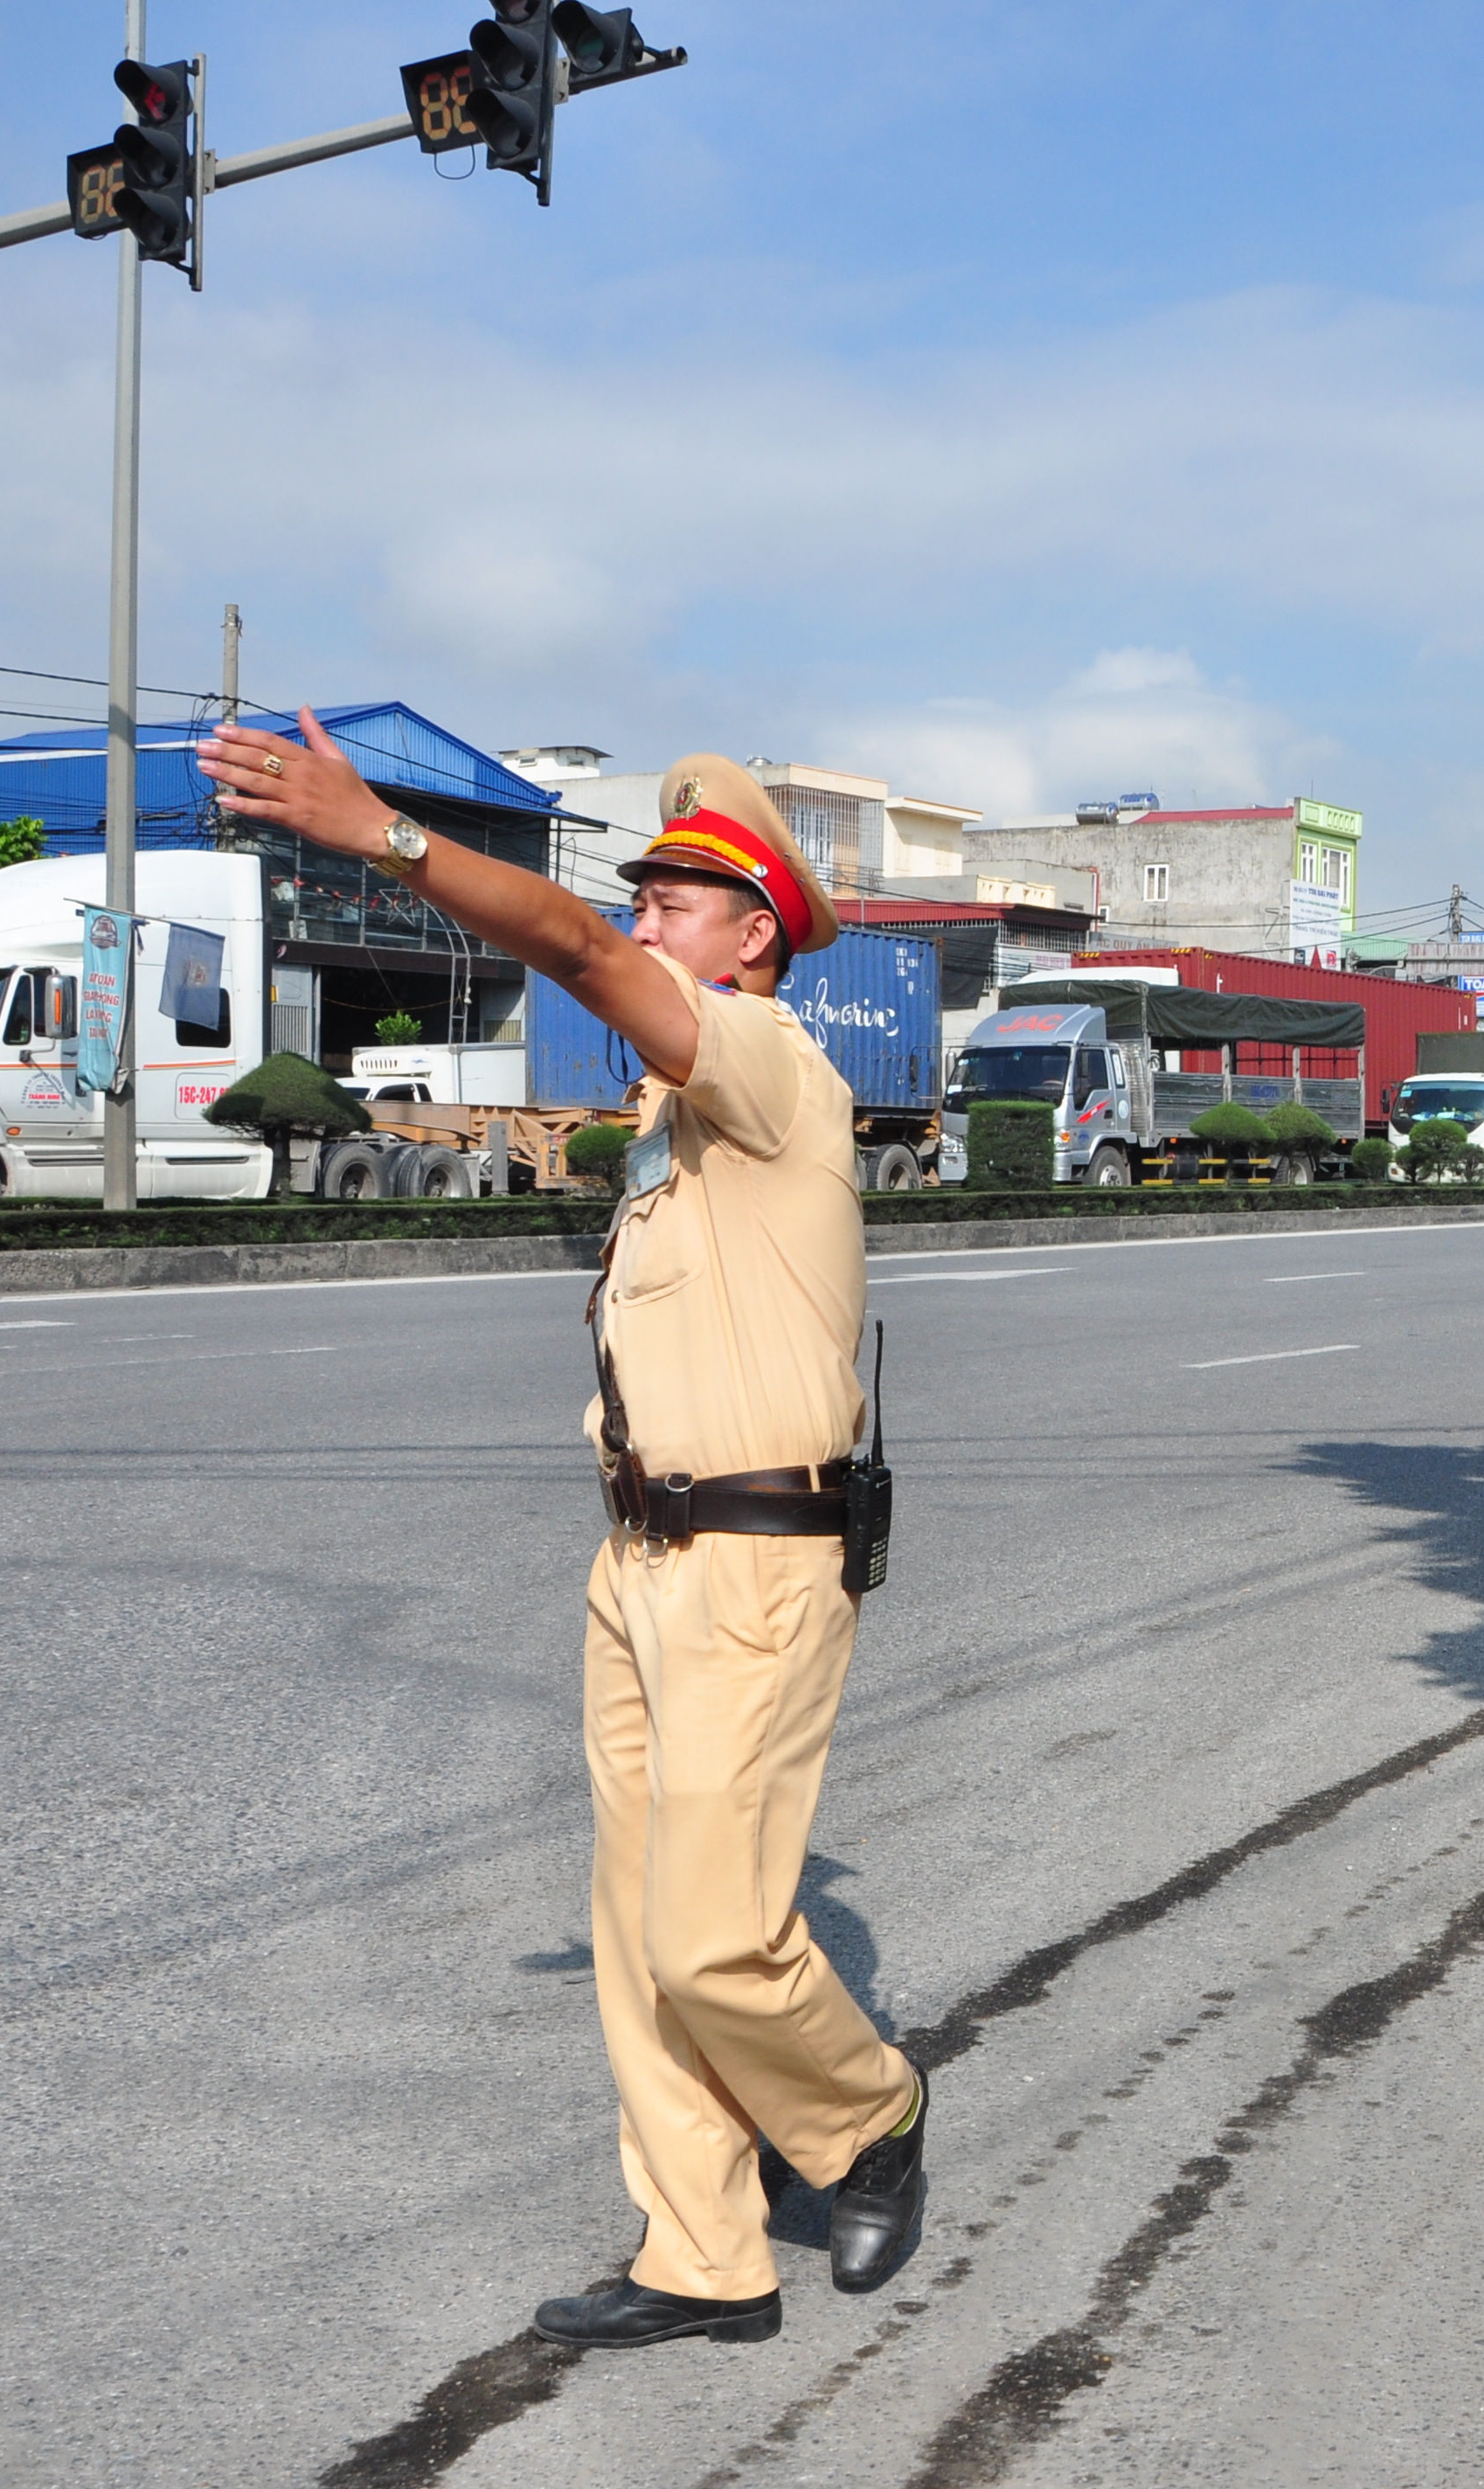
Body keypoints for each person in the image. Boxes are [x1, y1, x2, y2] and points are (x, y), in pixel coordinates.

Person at [198, 714, 925, 2350]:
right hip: (640, 1561)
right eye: (650, 892)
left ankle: (867, 2108)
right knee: (633, 1933)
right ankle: (702, 2251)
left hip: (753, 1562)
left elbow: (581, 946)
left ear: (754, 939)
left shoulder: (766, 1067)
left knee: (712, 1934)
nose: (649, 914)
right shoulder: (674, 1131)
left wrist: (384, 838)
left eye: (682, 899)